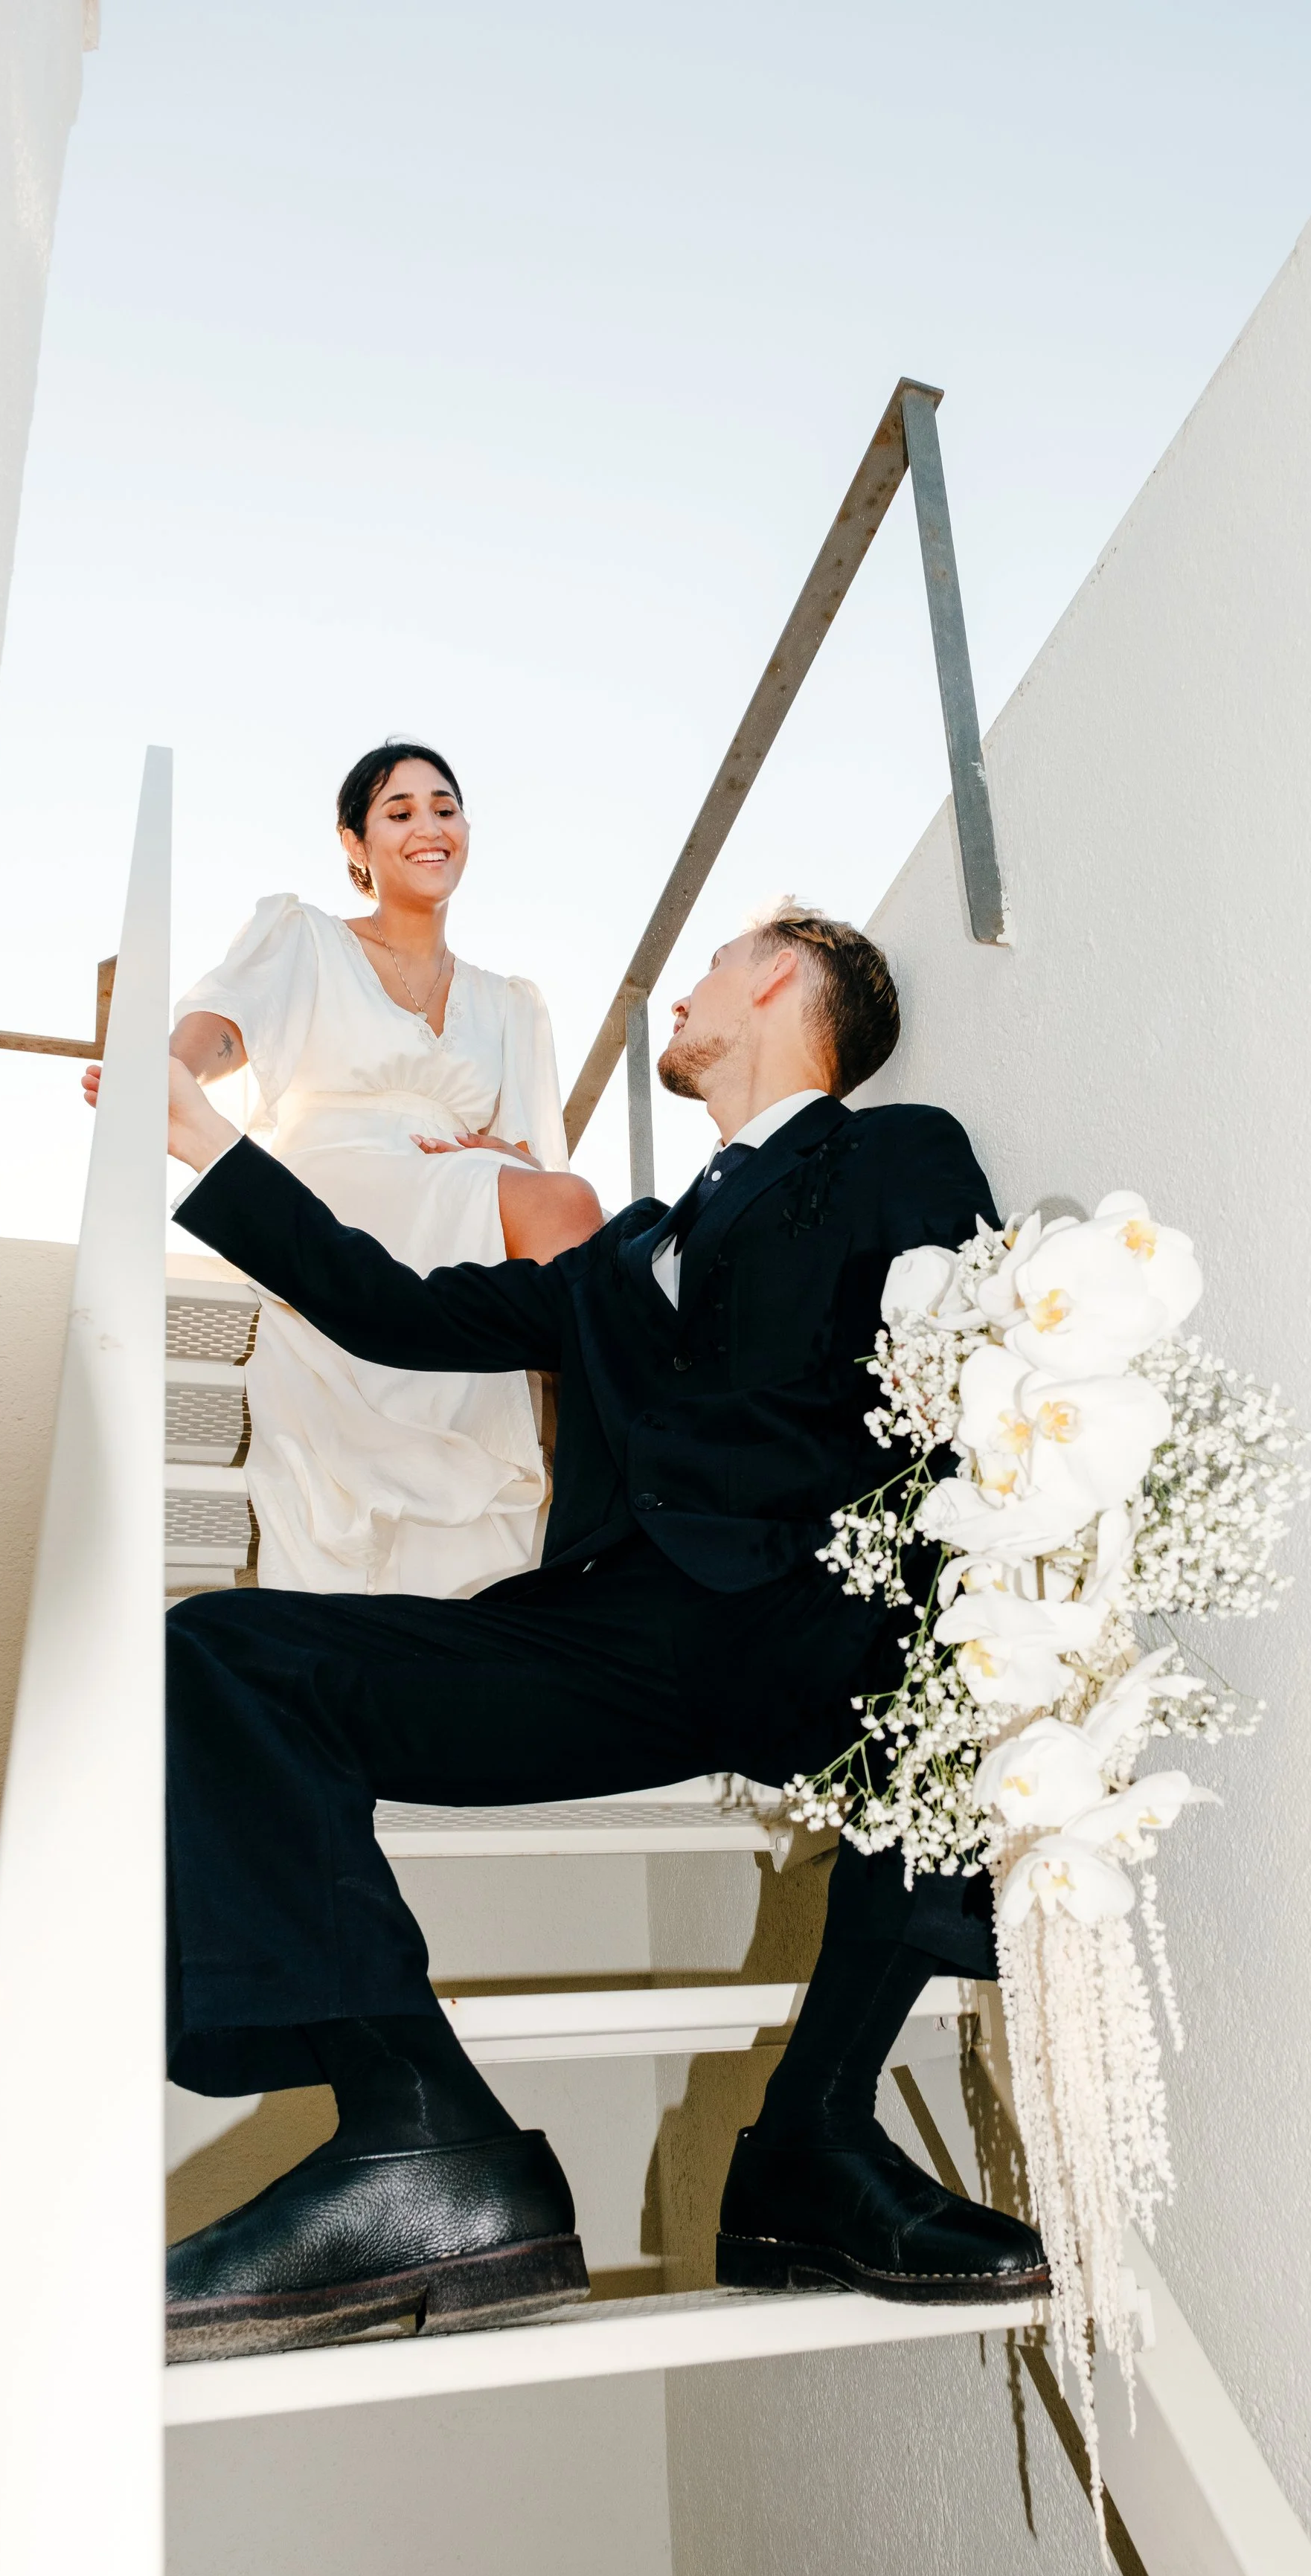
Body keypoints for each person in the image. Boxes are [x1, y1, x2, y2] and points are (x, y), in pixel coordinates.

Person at [161, 901, 1047, 2362]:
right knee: (226, 1665)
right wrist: (204, 1139)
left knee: (959, 1658)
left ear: (779, 978)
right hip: (613, 1637)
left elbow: (967, 1376)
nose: (681, 996)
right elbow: (392, 1311)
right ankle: (415, 2130)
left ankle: (813, 2143)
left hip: (810, 1610)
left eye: (705, 970)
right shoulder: (627, 1245)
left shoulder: (892, 1151)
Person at [161, 741, 600, 1596]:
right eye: (399, 813)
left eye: (445, 807)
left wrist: (500, 1157)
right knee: (566, 1212)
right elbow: (223, 1022)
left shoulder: (510, 1001)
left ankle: (578, 1486)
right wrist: (170, 1070)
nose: (429, 827)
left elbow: (532, 1158)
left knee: (567, 1206)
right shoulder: (306, 938)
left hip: (461, 1190)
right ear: (354, 843)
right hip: (336, 1175)